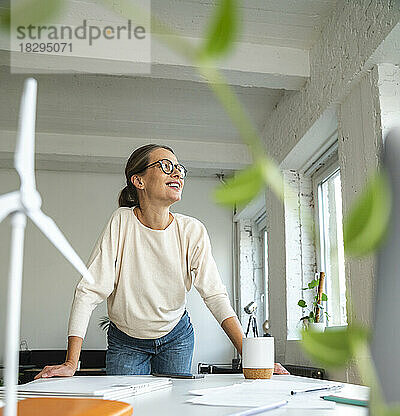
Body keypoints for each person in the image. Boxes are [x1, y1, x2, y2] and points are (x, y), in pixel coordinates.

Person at [35, 144, 288, 379]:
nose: (177, 173)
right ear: (139, 180)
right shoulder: (121, 222)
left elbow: (215, 295)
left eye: (179, 168)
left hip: (176, 337)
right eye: (166, 165)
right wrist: (70, 363)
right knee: (128, 414)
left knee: (172, 412)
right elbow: (88, 290)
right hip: (126, 341)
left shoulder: (192, 230)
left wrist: (252, 358)